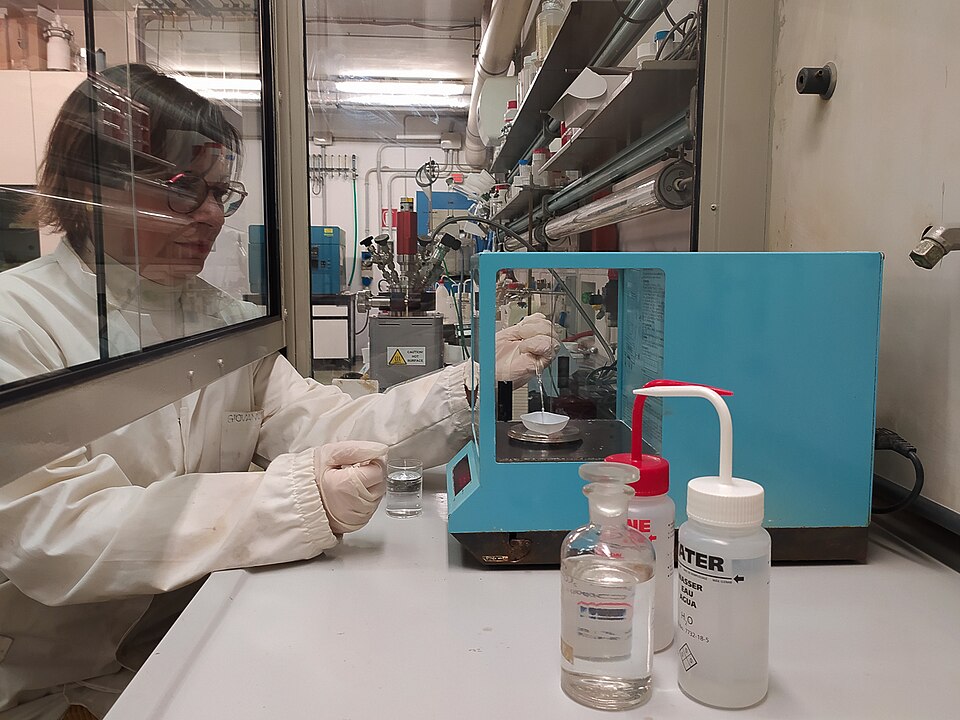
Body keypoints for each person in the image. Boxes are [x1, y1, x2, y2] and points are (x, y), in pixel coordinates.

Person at [0, 65, 558, 720]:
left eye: (220, 195)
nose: (210, 216)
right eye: (182, 190)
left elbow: (331, 424)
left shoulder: (224, 323)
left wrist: (468, 384)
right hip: (49, 688)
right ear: (93, 186)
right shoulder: (19, 321)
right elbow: (57, 530)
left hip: (188, 643)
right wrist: (291, 500)